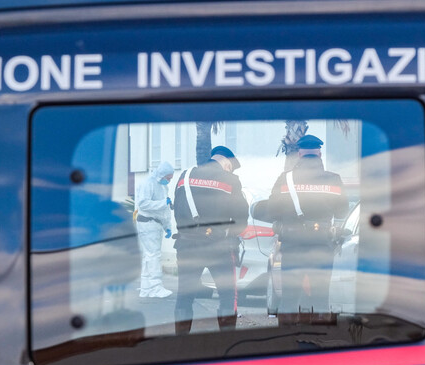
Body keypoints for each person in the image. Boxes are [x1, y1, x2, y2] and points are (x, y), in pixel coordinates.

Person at [267, 134, 348, 325]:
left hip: (292, 246)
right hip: (322, 245)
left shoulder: (285, 179)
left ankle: (287, 338)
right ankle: (319, 339)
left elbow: (271, 210)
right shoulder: (333, 179)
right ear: (319, 154)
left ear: (299, 154)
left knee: (289, 299)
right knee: (320, 298)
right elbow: (342, 211)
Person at [173, 146, 249, 334]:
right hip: (219, 247)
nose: (230, 170)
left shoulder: (185, 176)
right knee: (227, 295)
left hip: (187, 245)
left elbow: (178, 209)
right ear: (226, 162)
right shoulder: (231, 180)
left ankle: (180, 341)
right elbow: (241, 218)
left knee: (184, 295)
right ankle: (226, 341)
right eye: (230, 166)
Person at [135, 161, 174, 298]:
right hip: (147, 223)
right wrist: (163, 203)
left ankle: (146, 289)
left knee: (149, 256)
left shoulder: (163, 187)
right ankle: (156, 287)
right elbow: (143, 204)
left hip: (155, 224)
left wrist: (167, 226)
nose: (169, 180)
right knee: (154, 256)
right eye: (168, 178)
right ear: (161, 175)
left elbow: (164, 210)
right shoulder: (148, 183)